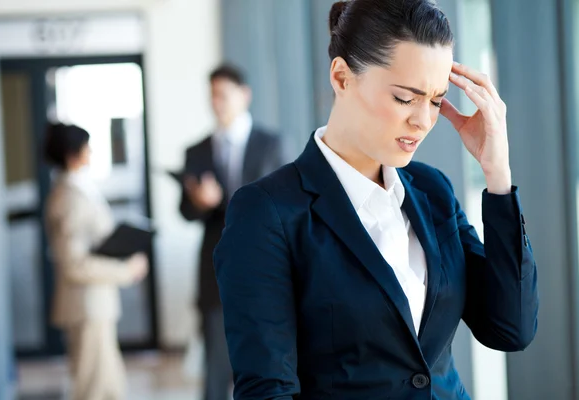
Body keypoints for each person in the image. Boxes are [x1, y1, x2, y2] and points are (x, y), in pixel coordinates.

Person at [213, 1, 539, 399]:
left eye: (436, 100)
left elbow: (511, 328)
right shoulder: (267, 213)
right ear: (342, 77)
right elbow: (269, 390)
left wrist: (498, 175)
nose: (423, 120)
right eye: (405, 98)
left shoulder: (433, 191)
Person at [179, 64, 285, 400]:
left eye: (222, 94)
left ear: (244, 96)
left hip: (267, 271)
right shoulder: (196, 151)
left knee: (268, 365)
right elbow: (184, 212)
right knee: (215, 369)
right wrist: (199, 202)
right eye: (211, 95)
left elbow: (287, 205)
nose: (216, 102)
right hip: (215, 276)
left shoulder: (271, 145)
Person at [44, 123, 149, 400]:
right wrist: (125, 270)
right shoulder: (69, 197)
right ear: (72, 154)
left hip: (95, 305)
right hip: (86, 305)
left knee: (108, 385)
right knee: (94, 388)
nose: (90, 152)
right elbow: (74, 264)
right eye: (86, 147)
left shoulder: (78, 189)